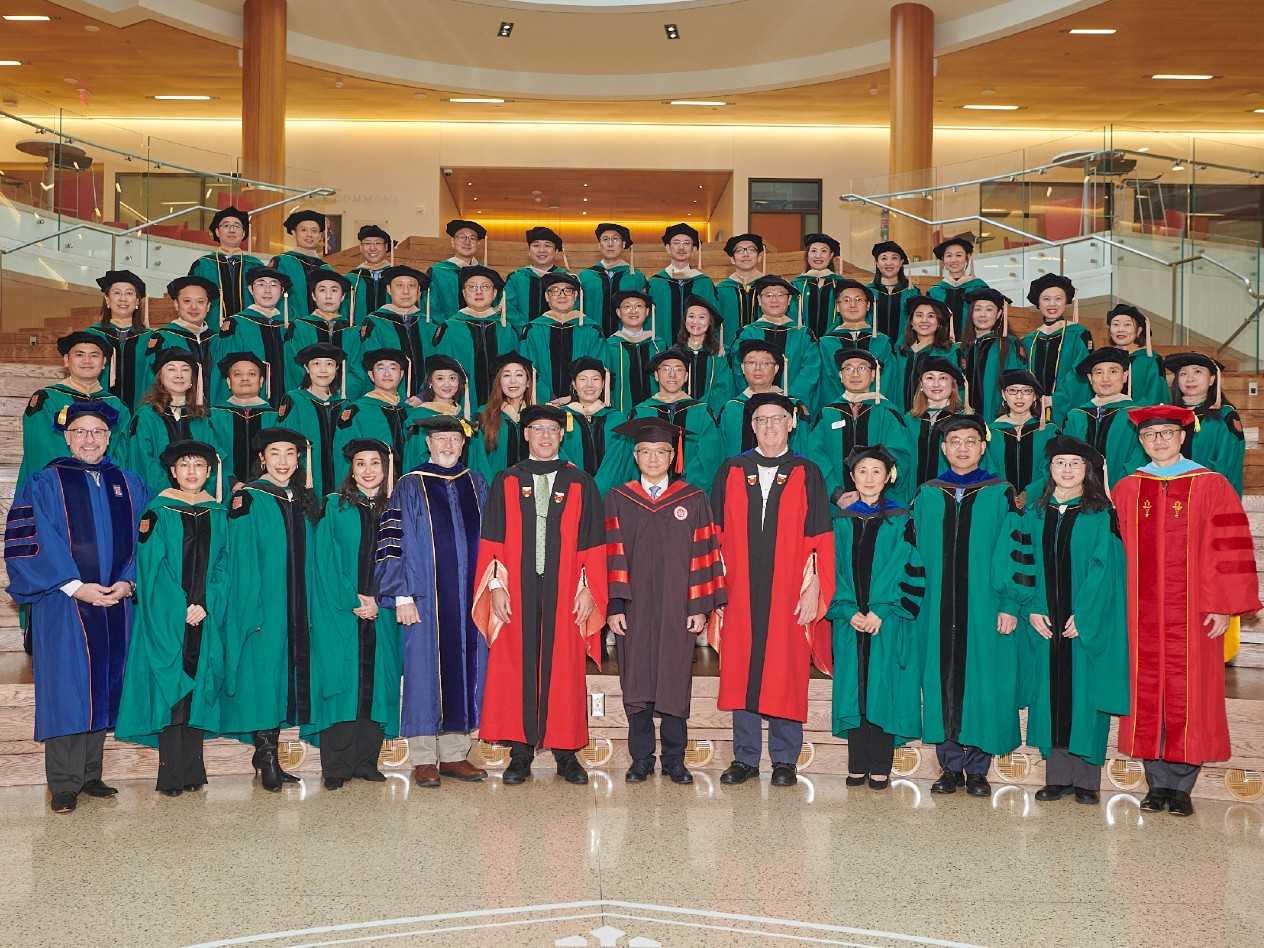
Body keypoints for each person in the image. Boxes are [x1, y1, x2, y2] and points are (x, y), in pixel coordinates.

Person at [1113, 405, 1261, 816]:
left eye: (1167, 433)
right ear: (1140, 441)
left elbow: (1229, 549)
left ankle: (1181, 787)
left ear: (1182, 437)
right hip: (1138, 615)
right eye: (1150, 435)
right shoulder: (1127, 489)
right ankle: (1155, 784)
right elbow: (1110, 557)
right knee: (1144, 694)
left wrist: (1223, 607)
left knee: (1191, 694)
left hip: (1196, 613)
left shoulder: (1211, 485)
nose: (1159, 440)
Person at [4, 401, 148, 813]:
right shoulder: (45, 482)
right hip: (64, 602)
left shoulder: (128, 482)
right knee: (68, 689)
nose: (90, 439)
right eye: (81, 432)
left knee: (103, 684)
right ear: (68, 437)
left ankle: (91, 774)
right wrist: (73, 585)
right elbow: (30, 539)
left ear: (108, 438)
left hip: (117, 602)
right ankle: (63, 783)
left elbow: (148, 540)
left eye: (97, 432)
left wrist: (127, 581)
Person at [472, 404, 608, 786]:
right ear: (527, 434)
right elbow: (493, 540)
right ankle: (519, 753)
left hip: (566, 590)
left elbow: (593, 544)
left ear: (561, 435)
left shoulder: (581, 482)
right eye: (537, 429)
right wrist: (495, 586)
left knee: (564, 667)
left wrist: (588, 591)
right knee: (515, 664)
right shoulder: (507, 479)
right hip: (516, 588)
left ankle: (566, 754)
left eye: (552, 429)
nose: (545, 436)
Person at [711, 393, 834, 787]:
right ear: (751, 426)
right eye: (761, 420)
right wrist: (717, 589)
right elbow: (715, 534)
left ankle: (784, 760)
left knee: (787, 667)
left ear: (791, 423)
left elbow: (819, 536)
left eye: (777, 419)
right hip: (741, 587)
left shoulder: (807, 471)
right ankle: (745, 759)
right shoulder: (732, 469)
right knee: (741, 668)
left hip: (789, 588)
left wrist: (813, 587)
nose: (769, 427)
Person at [605, 417, 725, 784]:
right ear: (636, 456)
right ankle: (641, 758)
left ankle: (675, 759)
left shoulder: (693, 498)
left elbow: (705, 554)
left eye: (661, 452)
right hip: (634, 607)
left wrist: (699, 608)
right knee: (636, 679)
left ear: (673, 456)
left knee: (675, 679)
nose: (653, 459)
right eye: (645, 452)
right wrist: (615, 605)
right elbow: (611, 555)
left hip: (678, 607)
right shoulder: (618, 498)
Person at [1011, 435, 1129, 805]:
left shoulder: (1101, 514)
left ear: (1087, 471)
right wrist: (1029, 607)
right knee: (1049, 695)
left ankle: (1086, 781)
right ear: (1049, 469)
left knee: (1084, 693)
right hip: (1044, 620)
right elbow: (1022, 563)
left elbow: (1105, 570)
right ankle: (1057, 776)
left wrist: (1087, 616)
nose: (1066, 470)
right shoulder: (1034, 513)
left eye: (1075, 464)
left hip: (1082, 623)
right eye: (1060, 463)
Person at [912, 415, 1023, 797]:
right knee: (941, 680)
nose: (962, 447)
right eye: (954, 441)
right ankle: (949, 767)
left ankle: (977, 768)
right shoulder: (928, 493)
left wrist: (1009, 603)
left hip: (984, 605)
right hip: (937, 608)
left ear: (982, 447)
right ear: (943, 448)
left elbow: (1013, 551)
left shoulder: (1000, 492)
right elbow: (913, 554)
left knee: (982, 681)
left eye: (970, 441)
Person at [377, 415, 490, 788]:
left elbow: (492, 543)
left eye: (454, 440)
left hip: (469, 597)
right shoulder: (410, 485)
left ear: (463, 445)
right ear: (428, 444)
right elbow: (393, 540)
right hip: (424, 597)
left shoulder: (476, 483)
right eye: (440, 439)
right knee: (425, 672)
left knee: (466, 668)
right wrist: (402, 593)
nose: (447, 446)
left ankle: (456, 755)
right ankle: (424, 758)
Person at [114, 439, 227, 797]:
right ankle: (170, 774)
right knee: (171, 690)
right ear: (173, 472)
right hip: (169, 617)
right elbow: (152, 568)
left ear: (209, 473)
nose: (192, 472)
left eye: (199, 466)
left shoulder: (219, 513)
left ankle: (194, 769)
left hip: (205, 616)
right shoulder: (157, 511)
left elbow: (227, 565)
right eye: (185, 466)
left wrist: (206, 603)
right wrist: (181, 607)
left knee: (198, 689)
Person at [219, 428, 321, 792]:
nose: (283, 461)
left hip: (296, 605)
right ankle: (266, 758)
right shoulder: (248, 498)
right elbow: (241, 561)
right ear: (262, 458)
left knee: (281, 681)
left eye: (290, 454)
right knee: (265, 680)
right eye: (274, 453)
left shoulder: (302, 500)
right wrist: (252, 610)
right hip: (265, 608)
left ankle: (270, 756)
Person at [302, 439, 401, 790]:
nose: (369, 470)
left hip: (383, 611)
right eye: (361, 463)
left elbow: (403, 561)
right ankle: (336, 766)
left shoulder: (395, 507)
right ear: (351, 468)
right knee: (341, 682)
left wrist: (380, 599)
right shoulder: (334, 506)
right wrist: (353, 598)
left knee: (376, 683)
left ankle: (365, 761)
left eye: (375, 463)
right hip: (339, 612)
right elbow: (324, 560)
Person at [827, 446, 926, 789]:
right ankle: (858, 763)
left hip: (887, 621)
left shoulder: (902, 519)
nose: (869, 478)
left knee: (882, 688)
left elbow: (909, 567)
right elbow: (829, 571)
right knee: (856, 688)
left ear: (888, 478)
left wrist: (880, 610)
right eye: (862, 472)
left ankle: (881, 764)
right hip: (849, 620)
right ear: (852, 478)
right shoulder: (838, 520)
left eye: (876, 472)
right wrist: (847, 609)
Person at [600, 347, 723, 493]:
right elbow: (628, 459)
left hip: (692, 494)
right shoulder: (641, 412)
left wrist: (683, 488)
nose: (672, 375)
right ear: (656, 376)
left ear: (686, 376)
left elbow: (710, 457)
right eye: (665, 369)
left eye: (678, 370)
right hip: (647, 494)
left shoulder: (702, 412)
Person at [19, 333, 132, 488]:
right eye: (80, 355)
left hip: (104, 486)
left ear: (104, 362)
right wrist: (78, 477)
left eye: (94, 355)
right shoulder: (46, 399)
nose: (87, 361)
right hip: (59, 485)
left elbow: (122, 450)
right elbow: (43, 447)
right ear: (66, 360)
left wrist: (103, 477)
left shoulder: (116, 406)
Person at [807, 349, 914, 507]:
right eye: (848, 368)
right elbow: (814, 456)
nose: (855, 374)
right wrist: (836, 493)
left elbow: (900, 456)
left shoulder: (887, 413)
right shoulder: (828, 414)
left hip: (882, 504)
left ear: (873, 375)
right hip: (835, 506)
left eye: (862, 368)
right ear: (840, 376)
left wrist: (870, 490)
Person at [127, 348, 216, 493]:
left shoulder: (201, 418)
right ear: (160, 377)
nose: (179, 375)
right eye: (171, 369)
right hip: (157, 498)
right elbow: (142, 459)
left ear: (192, 379)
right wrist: (170, 492)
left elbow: (213, 459)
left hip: (197, 498)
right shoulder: (146, 415)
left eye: (185, 370)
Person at [432, 265, 519, 409]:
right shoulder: (450, 328)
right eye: (472, 287)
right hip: (461, 406)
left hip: (503, 408)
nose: (478, 291)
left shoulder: (506, 328)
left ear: (494, 293)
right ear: (464, 293)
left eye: (485, 287)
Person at [731, 274, 821, 412]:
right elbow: (738, 368)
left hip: (792, 404)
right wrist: (753, 396)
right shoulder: (747, 333)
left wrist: (792, 399)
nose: (774, 299)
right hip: (752, 403)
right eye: (768, 295)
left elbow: (810, 370)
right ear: (759, 300)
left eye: (780, 295)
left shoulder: (803, 335)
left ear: (789, 299)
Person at [1061, 347, 1148, 487]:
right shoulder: (1076, 416)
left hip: (1123, 492)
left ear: (1125, 376)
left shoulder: (1138, 415)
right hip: (1079, 494)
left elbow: (1139, 459)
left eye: (1113, 371)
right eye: (1098, 372)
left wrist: (1121, 490)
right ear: (1090, 378)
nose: (1105, 378)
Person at [209, 265, 291, 407]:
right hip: (245, 406)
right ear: (250, 290)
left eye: (274, 284)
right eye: (260, 284)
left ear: (282, 291)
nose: (267, 290)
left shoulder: (289, 328)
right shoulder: (236, 325)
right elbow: (224, 372)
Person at [518, 272, 604, 405]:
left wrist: (574, 397)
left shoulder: (591, 330)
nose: (561, 295)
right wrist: (547, 397)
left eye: (568, 290)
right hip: (542, 403)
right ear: (547, 296)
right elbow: (527, 368)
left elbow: (598, 368)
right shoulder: (533, 330)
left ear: (575, 296)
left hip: (582, 402)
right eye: (555, 290)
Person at [1165, 351, 1245, 495]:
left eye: (1197, 371)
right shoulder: (1168, 416)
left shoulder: (1225, 415)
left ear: (1212, 379)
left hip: (1208, 497)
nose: (1190, 378)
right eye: (1183, 374)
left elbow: (1228, 464)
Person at [717, 339, 809, 458]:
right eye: (751, 363)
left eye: (765, 363)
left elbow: (802, 450)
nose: (757, 368)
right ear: (742, 368)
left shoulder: (793, 407)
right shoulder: (731, 408)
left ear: (776, 369)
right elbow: (720, 452)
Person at [1022, 273, 1093, 425]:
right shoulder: (1028, 340)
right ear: (1038, 303)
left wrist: (1055, 399)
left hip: (1064, 409)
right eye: (1046, 299)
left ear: (1066, 301)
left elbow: (1080, 372)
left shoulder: (1077, 334)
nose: (1052, 304)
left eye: (1058, 299)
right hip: (1032, 410)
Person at [275, 344, 345, 496]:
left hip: (340, 481)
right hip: (305, 480)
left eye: (329, 364)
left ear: (337, 368)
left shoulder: (344, 405)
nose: (323, 370)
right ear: (307, 368)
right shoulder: (294, 400)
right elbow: (284, 442)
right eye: (316, 363)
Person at [333, 348, 410, 484]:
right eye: (381, 368)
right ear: (371, 375)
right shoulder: (357, 411)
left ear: (401, 374)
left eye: (393, 368)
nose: (387, 373)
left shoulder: (408, 411)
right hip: (371, 491)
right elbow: (343, 459)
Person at [285, 270, 364, 397]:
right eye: (322, 290)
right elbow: (294, 365)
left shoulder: (353, 330)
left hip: (345, 399)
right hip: (308, 397)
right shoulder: (300, 327)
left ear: (343, 296)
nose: (328, 296)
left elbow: (358, 370)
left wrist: (340, 394)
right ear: (313, 296)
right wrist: (314, 392)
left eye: (334, 290)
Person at [816, 280, 895, 408]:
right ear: (837, 307)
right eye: (846, 300)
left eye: (858, 300)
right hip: (836, 408)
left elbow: (887, 379)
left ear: (868, 306)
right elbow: (826, 381)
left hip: (876, 407)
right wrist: (844, 403)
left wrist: (870, 401)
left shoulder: (882, 342)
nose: (852, 305)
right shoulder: (826, 343)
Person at [138, 276, 218, 398]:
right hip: (175, 413)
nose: (194, 307)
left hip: (215, 414)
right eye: (187, 301)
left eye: (200, 302)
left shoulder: (217, 340)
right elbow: (151, 383)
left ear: (208, 306)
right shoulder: (163, 338)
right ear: (176, 304)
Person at [984, 369, 1055, 506]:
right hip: (1000, 503)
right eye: (1013, 391)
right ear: (1004, 395)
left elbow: (1052, 468)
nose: (1019, 397)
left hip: (1039, 504)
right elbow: (987, 468)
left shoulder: (1049, 431)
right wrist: (1006, 493)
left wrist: (1030, 493)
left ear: (1035, 396)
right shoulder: (991, 432)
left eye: (1026, 391)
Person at [357, 265, 430, 398]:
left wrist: (425, 396)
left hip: (425, 402)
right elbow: (367, 366)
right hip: (387, 400)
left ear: (419, 291)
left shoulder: (429, 324)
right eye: (399, 285)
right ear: (389, 289)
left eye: (412, 286)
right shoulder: (375, 323)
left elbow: (438, 367)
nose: (406, 292)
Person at [210, 352, 279, 489]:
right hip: (223, 487)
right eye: (237, 374)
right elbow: (211, 452)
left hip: (268, 487)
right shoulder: (213, 416)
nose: (245, 378)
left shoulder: (275, 417)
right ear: (229, 382)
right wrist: (231, 481)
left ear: (261, 382)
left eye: (252, 374)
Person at [85, 269, 150, 411]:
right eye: (117, 293)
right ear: (107, 300)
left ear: (137, 301)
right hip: (97, 416)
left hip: (140, 415)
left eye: (129, 293)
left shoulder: (151, 339)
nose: (123, 298)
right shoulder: (91, 336)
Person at [189, 206, 264, 324]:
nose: (232, 230)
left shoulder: (256, 266)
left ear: (244, 233)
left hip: (249, 330)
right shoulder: (203, 265)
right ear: (217, 232)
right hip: (211, 332)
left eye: (237, 226)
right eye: (226, 225)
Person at [648, 222, 717, 350]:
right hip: (663, 348)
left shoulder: (704, 282)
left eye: (687, 243)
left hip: (698, 348)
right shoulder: (655, 283)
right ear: (668, 248)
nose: (681, 247)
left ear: (694, 249)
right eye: (676, 243)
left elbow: (713, 318)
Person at [959, 288, 1024, 422]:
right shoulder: (964, 348)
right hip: (964, 418)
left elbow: (1015, 382)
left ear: (999, 313)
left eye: (989, 309)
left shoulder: (1007, 345)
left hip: (997, 417)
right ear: (971, 313)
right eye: (977, 309)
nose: (983, 315)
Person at [469, 353, 534, 480]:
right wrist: (492, 490)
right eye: (506, 375)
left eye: (519, 375)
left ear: (528, 382)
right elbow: (478, 459)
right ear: (499, 382)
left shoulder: (536, 416)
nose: (513, 381)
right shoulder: (484, 414)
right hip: (496, 490)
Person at [889, 296, 958, 413]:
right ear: (911, 321)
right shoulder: (899, 352)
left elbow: (956, 388)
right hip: (899, 415)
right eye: (919, 315)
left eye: (931, 316)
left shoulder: (949, 352)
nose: (924, 320)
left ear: (939, 322)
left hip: (932, 417)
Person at [906, 357, 967, 489]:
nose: (936, 384)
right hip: (911, 496)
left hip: (952, 498)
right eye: (929, 378)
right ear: (921, 385)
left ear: (953, 385)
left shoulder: (965, 421)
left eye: (943, 378)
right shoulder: (908, 420)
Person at [403, 355, 469, 471]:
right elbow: (414, 457)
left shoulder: (462, 414)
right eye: (440, 378)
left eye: (452, 378)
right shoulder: (420, 417)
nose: (447, 384)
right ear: (430, 383)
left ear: (459, 382)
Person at [560, 358, 624, 478]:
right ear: (574, 384)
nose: (590, 385)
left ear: (603, 383)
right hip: (572, 488)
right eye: (583, 379)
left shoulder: (617, 419)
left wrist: (599, 488)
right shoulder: (559, 418)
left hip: (610, 492)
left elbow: (619, 461)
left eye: (595, 379)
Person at [580, 223, 647, 335]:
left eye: (615, 239)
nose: (610, 244)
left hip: (627, 339)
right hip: (591, 338)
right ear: (599, 245)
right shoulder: (586, 276)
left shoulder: (636, 277)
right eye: (605, 239)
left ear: (624, 244)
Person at [602, 289, 662, 413]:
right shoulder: (608, 346)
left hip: (655, 415)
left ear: (647, 312)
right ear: (618, 312)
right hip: (620, 412)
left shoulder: (658, 345)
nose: (633, 310)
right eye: (627, 306)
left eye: (639, 306)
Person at [270, 209, 335, 317]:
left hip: (321, 328)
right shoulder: (282, 262)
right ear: (294, 233)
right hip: (289, 326)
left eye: (314, 231)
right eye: (303, 230)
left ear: (320, 236)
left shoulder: (327, 269)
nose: (309, 235)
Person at [675, 295, 733, 416]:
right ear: (685, 320)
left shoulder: (720, 354)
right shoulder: (675, 352)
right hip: (679, 414)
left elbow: (723, 389)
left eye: (702, 317)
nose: (695, 321)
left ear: (710, 322)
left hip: (710, 416)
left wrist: (700, 409)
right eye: (691, 316)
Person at [504, 226, 569, 333]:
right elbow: (508, 308)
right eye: (536, 245)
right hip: (523, 337)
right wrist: (525, 329)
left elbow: (572, 308)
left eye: (547, 245)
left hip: (559, 335)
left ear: (556, 251)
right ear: (529, 251)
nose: (541, 250)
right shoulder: (516, 278)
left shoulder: (567, 279)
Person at [427, 219, 491, 323]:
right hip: (447, 331)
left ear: (478, 244)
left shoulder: (486, 274)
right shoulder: (438, 272)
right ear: (452, 242)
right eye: (462, 237)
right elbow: (432, 307)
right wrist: (446, 329)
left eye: (472, 238)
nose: (467, 241)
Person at [927, 233, 989, 338]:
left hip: (972, 347)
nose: (953, 260)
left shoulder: (979, 289)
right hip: (941, 348)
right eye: (949, 255)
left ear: (967, 257)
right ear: (943, 259)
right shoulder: (935, 291)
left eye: (959, 255)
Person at [1106, 303, 1167, 405]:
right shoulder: (1104, 359)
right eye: (1116, 324)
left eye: (1127, 324)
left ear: (1139, 331)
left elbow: (1156, 397)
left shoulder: (1150, 361)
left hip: (1141, 417)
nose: (1120, 329)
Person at [715, 233, 765, 346]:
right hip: (729, 351)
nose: (746, 254)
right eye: (739, 250)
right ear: (732, 259)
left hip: (765, 354)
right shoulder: (721, 290)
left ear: (759, 257)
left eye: (751, 250)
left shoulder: (771, 288)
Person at [792, 233, 844, 340]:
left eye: (824, 251)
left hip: (834, 343)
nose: (818, 256)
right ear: (807, 255)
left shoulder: (842, 285)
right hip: (803, 343)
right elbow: (792, 315)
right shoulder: (796, 285)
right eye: (813, 251)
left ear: (831, 255)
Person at [868, 240, 919, 346]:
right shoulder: (867, 292)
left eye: (894, 258)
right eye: (884, 258)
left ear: (901, 262)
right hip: (874, 349)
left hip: (904, 350)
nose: (889, 263)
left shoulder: (912, 293)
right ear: (876, 263)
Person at [344, 224, 394, 325]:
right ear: (361, 248)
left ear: (386, 247)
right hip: (358, 336)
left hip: (391, 336)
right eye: (367, 243)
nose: (372, 248)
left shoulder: (397, 278)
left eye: (378, 243)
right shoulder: (351, 279)